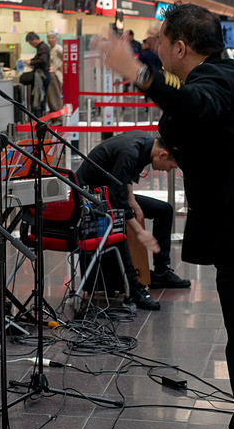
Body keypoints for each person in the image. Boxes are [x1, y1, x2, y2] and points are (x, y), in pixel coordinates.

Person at [96, 2, 234, 429]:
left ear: (181, 48)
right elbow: (190, 116)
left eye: (162, 42)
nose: (156, 47)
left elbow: (195, 104)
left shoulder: (217, 80)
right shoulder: (217, 77)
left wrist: (140, 72)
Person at [75, 131, 190, 305]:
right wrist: (140, 231)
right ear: (163, 154)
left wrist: (133, 200)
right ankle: (134, 288)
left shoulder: (144, 143)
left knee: (164, 210)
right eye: (170, 166)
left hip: (109, 192)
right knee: (120, 225)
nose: (168, 171)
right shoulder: (129, 151)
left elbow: (123, 178)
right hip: (91, 198)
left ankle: (161, 272)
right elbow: (117, 196)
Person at [21, 31, 51, 117]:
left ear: (35, 39)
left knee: (39, 99)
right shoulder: (41, 47)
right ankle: (40, 118)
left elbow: (43, 60)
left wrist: (31, 62)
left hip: (42, 76)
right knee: (40, 98)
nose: (31, 45)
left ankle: (39, 119)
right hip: (43, 75)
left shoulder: (42, 47)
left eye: (31, 43)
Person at [46, 31, 64, 119]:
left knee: (56, 97)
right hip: (51, 75)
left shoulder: (58, 48)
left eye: (52, 38)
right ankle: (55, 117)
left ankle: (59, 117)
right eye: (49, 38)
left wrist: (61, 66)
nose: (50, 40)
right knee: (51, 98)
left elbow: (66, 57)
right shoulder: (49, 49)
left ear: (56, 39)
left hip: (57, 76)